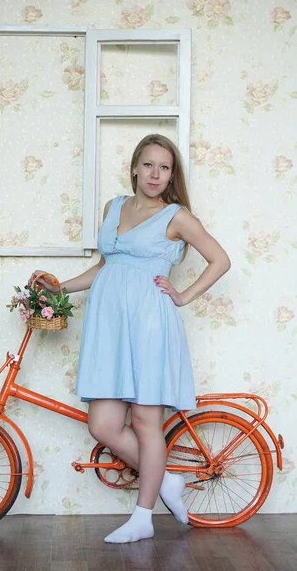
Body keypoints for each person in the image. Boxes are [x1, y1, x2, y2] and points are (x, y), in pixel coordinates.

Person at [27, 133, 231, 543]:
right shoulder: (114, 207)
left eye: (165, 167)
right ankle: (168, 482)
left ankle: (143, 516)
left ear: (172, 175)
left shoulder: (177, 216)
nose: (155, 174)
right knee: (103, 425)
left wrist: (183, 296)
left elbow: (221, 259)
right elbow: (106, 266)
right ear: (135, 167)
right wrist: (58, 288)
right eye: (149, 164)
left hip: (150, 324)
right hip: (109, 327)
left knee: (144, 422)